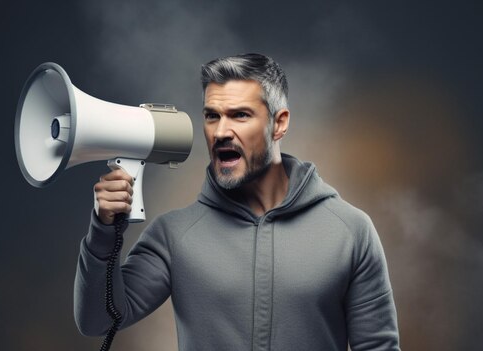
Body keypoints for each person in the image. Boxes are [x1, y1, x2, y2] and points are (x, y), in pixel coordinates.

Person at [74, 53, 401, 350]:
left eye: (240, 115)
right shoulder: (173, 236)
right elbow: (97, 321)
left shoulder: (349, 231)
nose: (221, 132)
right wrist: (103, 229)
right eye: (212, 116)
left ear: (279, 123)